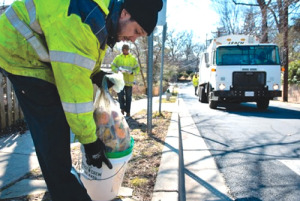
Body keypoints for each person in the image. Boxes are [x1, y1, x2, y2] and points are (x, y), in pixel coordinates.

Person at [0, 0, 162, 200]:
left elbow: (79, 60)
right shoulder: (86, 22)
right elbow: (75, 96)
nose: (133, 40)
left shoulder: (100, 17)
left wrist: (96, 74)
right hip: (18, 49)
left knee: (57, 127)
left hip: (34, 46)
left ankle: (60, 184)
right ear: (124, 14)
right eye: (136, 31)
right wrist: (90, 142)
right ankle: (66, 191)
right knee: (52, 126)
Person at [111, 44, 140, 118]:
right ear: (122, 50)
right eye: (124, 50)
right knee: (120, 96)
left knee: (128, 97)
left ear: (128, 50)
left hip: (129, 81)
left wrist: (132, 72)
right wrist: (117, 70)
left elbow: (137, 69)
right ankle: (122, 109)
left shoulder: (133, 58)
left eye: (126, 50)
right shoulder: (118, 58)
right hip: (120, 81)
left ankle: (128, 112)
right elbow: (113, 66)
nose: (125, 51)